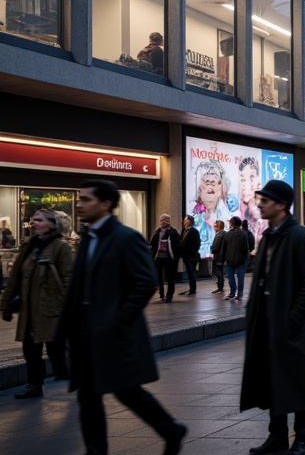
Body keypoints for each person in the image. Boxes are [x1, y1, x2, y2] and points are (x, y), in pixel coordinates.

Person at [63, 179, 187, 455]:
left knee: (128, 392)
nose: (79, 204)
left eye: (86, 199)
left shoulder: (125, 237)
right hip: (87, 334)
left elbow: (145, 284)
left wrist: (116, 321)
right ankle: (96, 450)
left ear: (105, 204)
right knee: (89, 396)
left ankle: (171, 428)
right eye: (79, 198)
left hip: (113, 334)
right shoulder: (88, 238)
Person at [240, 180, 305, 455]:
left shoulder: (302, 236)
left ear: (280, 205)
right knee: (271, 379)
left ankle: (304, 439)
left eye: (265, 200)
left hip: (291, 325)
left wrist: (294, 318)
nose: (259, 203)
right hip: (267, 323)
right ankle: (277, 437)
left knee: (299, 380)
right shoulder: (268, 236)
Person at [2, 208, 72, 399]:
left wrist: (64, 309)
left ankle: (74, 376)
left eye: (39, 220)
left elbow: (69, 281)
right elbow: (15, 276)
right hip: (29, 309)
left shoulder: (60, 247)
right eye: (33, 220)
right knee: (30, 350)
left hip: (50, 309)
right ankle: (34, 385)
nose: (33, 223)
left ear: (51, 224)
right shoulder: (29, 245)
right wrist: (6, 303)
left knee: (55, 349)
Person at [147, 214, 181, 303]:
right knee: (158, 276)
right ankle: (161, 294)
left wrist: (175, 258)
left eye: (165, 220)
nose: (162, 222)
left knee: (170, 277)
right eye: (161, 220)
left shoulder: (173, 232)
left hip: (169, 258)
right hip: (158, 257)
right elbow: (153, 244)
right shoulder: (157, 231)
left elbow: (177, 246)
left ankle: (169, 295)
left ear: (168, 221)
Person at [221, 216, 251, 300]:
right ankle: (240, 294)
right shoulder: (243, 234)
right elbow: (245, 248)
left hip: (230, 259)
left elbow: (224, 248)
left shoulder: (227, 234)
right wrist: (246, 259)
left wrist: (223, 259)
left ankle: (232, 293)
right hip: (241, 259)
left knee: (230, 276)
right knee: (240, 277)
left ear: (231, 223)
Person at [178, 216, 201, 296]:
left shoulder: (194, 231)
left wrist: (190, 250)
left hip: (192, 256)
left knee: (191, 272)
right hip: (185, 256)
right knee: (189, 272)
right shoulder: (184, 230)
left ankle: (193, 289)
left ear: (190, 221)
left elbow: (197, 244)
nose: (184, 222)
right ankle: (191, 288)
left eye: (186, 220)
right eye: (184, 220)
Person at [210, 219, 226, 293]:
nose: (214, 228)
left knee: (218, 272)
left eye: (215, 226)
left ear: (219, 226)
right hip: (222, 256)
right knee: (220, 272)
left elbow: (215, 246)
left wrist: (212, 251)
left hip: (218, 256)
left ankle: (220, 287)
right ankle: (220, 287)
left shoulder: (219, 234)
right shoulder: (225, 233)